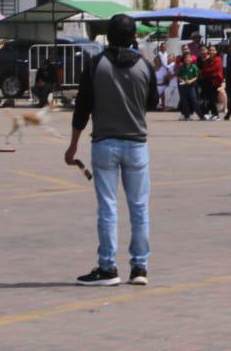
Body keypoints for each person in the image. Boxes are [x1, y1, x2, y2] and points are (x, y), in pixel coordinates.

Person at [66, 14, 157, 286]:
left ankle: (107, 267)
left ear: (108, 35)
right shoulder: (145, 66)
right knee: (139, 207)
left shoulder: (96, 65)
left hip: (104, 143)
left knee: (108, 207)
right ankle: (139, 267)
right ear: (133, 37)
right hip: (137, 143)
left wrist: (72, 146)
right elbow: (152, 102)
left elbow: (82, 108)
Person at [199, 46, 224, 120]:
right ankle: (208, 113)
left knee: (212, 98)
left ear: (216, 51)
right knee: (207, 98)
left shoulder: (218, 59)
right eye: (210, 50)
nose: (211, 51)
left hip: (214, 81)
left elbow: (213, 69)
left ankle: (216, 114)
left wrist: (203, 71)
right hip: (207, 81)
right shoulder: (207, 60)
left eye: (213, 50)